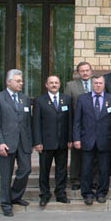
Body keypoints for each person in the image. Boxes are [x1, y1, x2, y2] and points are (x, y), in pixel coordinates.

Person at [0, 69, 32, 217]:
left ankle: (14, 196)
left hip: (23, 142)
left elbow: (27, 123)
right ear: (8, 82)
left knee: (26, 169)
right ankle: (6, 204)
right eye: (18, 81)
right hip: (6, 143)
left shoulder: (24, 99)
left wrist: (31, 142)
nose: (21, 83)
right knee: (6, 175)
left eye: (21, 81)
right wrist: (0, 142)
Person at [73, 75, 111, 205]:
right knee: (86, 169)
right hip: (87, 140)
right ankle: (87, 194)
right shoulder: (82, 99)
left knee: (104, 169)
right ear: (91, 84)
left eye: (100, 83)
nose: (98, 85)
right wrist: (76, 138)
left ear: (104, 84)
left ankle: (102, 193)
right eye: (96, 83)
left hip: (105, 140)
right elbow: (77, 121)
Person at [32, 75, 72, 207]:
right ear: (46, 85)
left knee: (61, 170)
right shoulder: (39, 100)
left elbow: (70, 121)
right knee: (44, 170)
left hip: (62, 142)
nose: (54, 85)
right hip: (45, 143)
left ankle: (60, 194)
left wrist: (70, 139)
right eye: (51, 83)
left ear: (59, 84)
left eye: (56, 83)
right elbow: (35, 123)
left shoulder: (66, 99)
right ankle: (44, 195)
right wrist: (37, 142)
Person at [64, 61, 94, 190]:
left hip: (94, 125)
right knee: (77, 154)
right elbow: (68, 109)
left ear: (91, 71)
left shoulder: (97, 83)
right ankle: (75, 180)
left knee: (93, 154)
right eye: (82, 71)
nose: (85, 73)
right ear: (78, 73)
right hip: (78, 125)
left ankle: (92, 180)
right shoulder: (70, 86)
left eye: (87, 70)